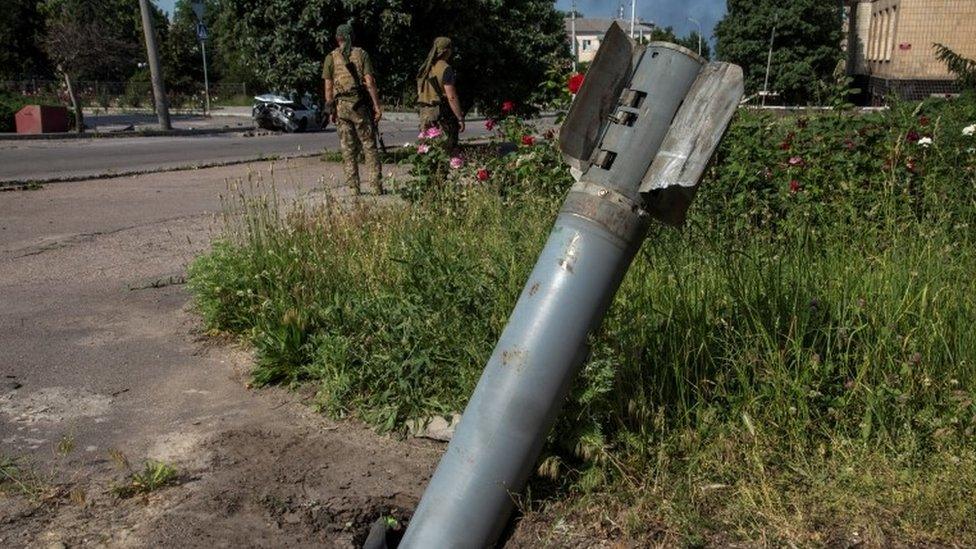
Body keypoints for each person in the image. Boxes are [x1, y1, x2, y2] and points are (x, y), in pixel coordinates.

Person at [323, 20, 383, 195]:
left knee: (347, 149)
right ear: (352, 37)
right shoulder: (362, 54)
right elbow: (370, 82)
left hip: (341, 108)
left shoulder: (330, 57)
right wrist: (376, 106)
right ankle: (376, 187)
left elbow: (328, 87)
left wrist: (330, 109)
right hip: (360, 107)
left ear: (337, 39)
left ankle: (353, 189)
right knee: (369, 146)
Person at [416, 37, 465, 152]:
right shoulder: (445, 68)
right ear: (446, 51)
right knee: (442, 149)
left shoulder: (426, 67)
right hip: (439, 113)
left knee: (426, 148)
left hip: (424, 112)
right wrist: (459, 117)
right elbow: (451, 96)